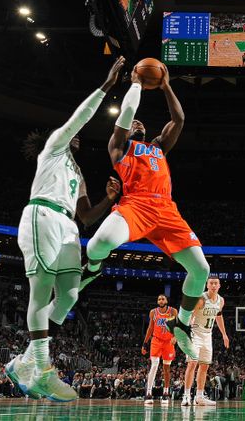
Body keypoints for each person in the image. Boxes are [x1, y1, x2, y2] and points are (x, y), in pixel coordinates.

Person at [5, 57, 125, 402]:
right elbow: (79, 118)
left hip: (69, 227)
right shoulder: (54, 148)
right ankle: (41, 369)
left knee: (70, 293)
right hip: (42, 214)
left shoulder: (78, 176)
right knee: (41, 288)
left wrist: (109, 199)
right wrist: (107, 85)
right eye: (76, 138)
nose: (79, 141)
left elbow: (86, 217)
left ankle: (25, 362)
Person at [82, 63, 210, 362]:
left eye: (141, 122)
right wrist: (137, 84)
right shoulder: (118, 147)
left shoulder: (158, 148)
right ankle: (92, 269)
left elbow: (178, 119)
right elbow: (126, 115)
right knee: (97, 245)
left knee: (201, 270)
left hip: (165, 209)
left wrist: (165, 85)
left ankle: (182, 325)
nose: (138, 122)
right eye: (133, 122)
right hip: (135, 204)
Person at [181, 277, 229, 407]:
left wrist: (224, 334)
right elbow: (191, 313)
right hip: (195, 333)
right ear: (207, 285)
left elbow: (219, 316)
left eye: (216, 283)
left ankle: (200, 396)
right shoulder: (201, 299)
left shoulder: (221, 300)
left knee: (204, 366)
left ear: (219, 285)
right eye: (211, 283)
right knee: (192, 363)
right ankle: (186, 395)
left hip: (208, 335)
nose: (213, 285)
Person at [141, 294, 178, 406]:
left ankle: (166, 392)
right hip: (156, 341)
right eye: (159, 299)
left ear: (167, 300)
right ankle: (148, 392)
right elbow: (150, 328)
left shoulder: (173, 311)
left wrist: (175, 336)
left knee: (166, 367)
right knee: (155, 364)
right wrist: (145, 343)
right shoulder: (153, 312)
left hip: (168, 342)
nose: (161, 300)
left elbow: (177, 326)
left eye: (163, 299)